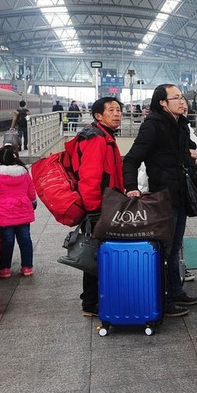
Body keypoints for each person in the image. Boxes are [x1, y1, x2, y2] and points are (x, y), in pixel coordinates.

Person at [123, 84, 197, 318]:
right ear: (163, 103)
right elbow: (131, 159)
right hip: (164, 198)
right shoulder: (153, 126)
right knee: (164, 250)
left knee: (175, 247)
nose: (182, 101)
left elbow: (178, 152)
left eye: (182, 97)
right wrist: (131, 188)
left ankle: (176, 291)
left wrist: (191, 154)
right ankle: (163, 299)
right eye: (176, 98)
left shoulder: (180, 124)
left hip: (181, 195)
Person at [72, 97, 125, 317]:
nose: (117, 114)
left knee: (99, 252)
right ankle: (91, 302)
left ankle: (94, 298)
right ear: (98, 116)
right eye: (111, 110)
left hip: (108, 202)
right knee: (97, 253)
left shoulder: (105, 135)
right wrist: (94, 210)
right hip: (100, 206)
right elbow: (90, 177)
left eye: (118, 109)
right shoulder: (96, 139)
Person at [0, 144, 36, 278]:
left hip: (4, 214)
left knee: (7, 241)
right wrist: (33, 203)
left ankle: (5, 268)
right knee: (25, 239)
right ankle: (27, 267)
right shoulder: (23, 173)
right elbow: (31, 190)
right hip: (23, 211)